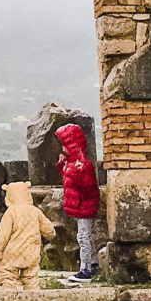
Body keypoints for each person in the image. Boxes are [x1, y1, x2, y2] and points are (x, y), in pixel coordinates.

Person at [0, 178, 54, 289]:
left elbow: (3, 235)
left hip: (12, 251)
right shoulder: (35, 211)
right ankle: (33, 297)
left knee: (8, 274)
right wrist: (50, 235)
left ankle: (9, 294)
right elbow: (48, 229)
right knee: (31, 277)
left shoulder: (11, 212)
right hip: (31, 251)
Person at [56, 121, 101, 282]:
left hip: (84, 206)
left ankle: (85, 269)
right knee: (87, 236)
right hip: (79, 206)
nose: (62, 148)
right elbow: (67, 178)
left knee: (84, 238)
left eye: (64, 145)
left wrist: (78, 172)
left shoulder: (83, 165)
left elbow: (87, 186)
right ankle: (94, 264)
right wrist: (62, 165)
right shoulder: (72, 163)